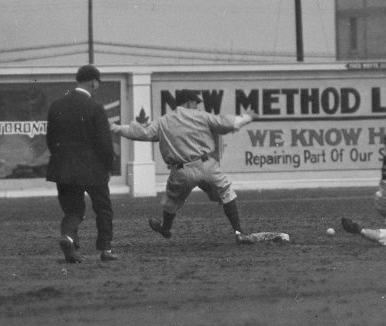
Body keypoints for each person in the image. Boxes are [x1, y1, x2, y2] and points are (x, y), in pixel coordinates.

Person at [112, 89, 258, 243]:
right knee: (226, 192)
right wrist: (247, 116)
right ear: (188, 102)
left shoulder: (164, 121)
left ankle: (165, 228)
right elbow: (229, 123)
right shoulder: (201, 116)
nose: (198, 106)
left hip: (181, 170)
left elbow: (140, 132)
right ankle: (239, 232)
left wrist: (115, 128)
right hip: (206, 165)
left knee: (171, 201)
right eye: (196, 102)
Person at [45, 64, 118, 262]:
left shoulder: (56, 105)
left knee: (73, 210)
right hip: (93, 169)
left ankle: (69, 237)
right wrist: (109, 167)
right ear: (93, 82)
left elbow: (50, 139)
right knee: (103, 209)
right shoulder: (95, 108)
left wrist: (62, 160)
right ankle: (105, 249)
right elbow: (104, 142)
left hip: (64, 168)